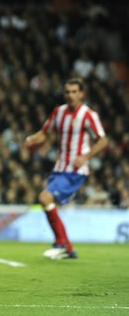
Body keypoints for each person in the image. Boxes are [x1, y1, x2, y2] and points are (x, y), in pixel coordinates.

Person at [25, 77, 108, 259]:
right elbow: (44, 133)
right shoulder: (58, 112)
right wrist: (31, 139)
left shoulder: (88, 115)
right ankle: (68, 247)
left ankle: (60, 243)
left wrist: (85, 157)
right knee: (48, 203)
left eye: (74, 92)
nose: (70, 95)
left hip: (75, 170)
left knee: (44, 197)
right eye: (67, 92)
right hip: (59, 168)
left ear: (81, 94)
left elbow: (103, 140)